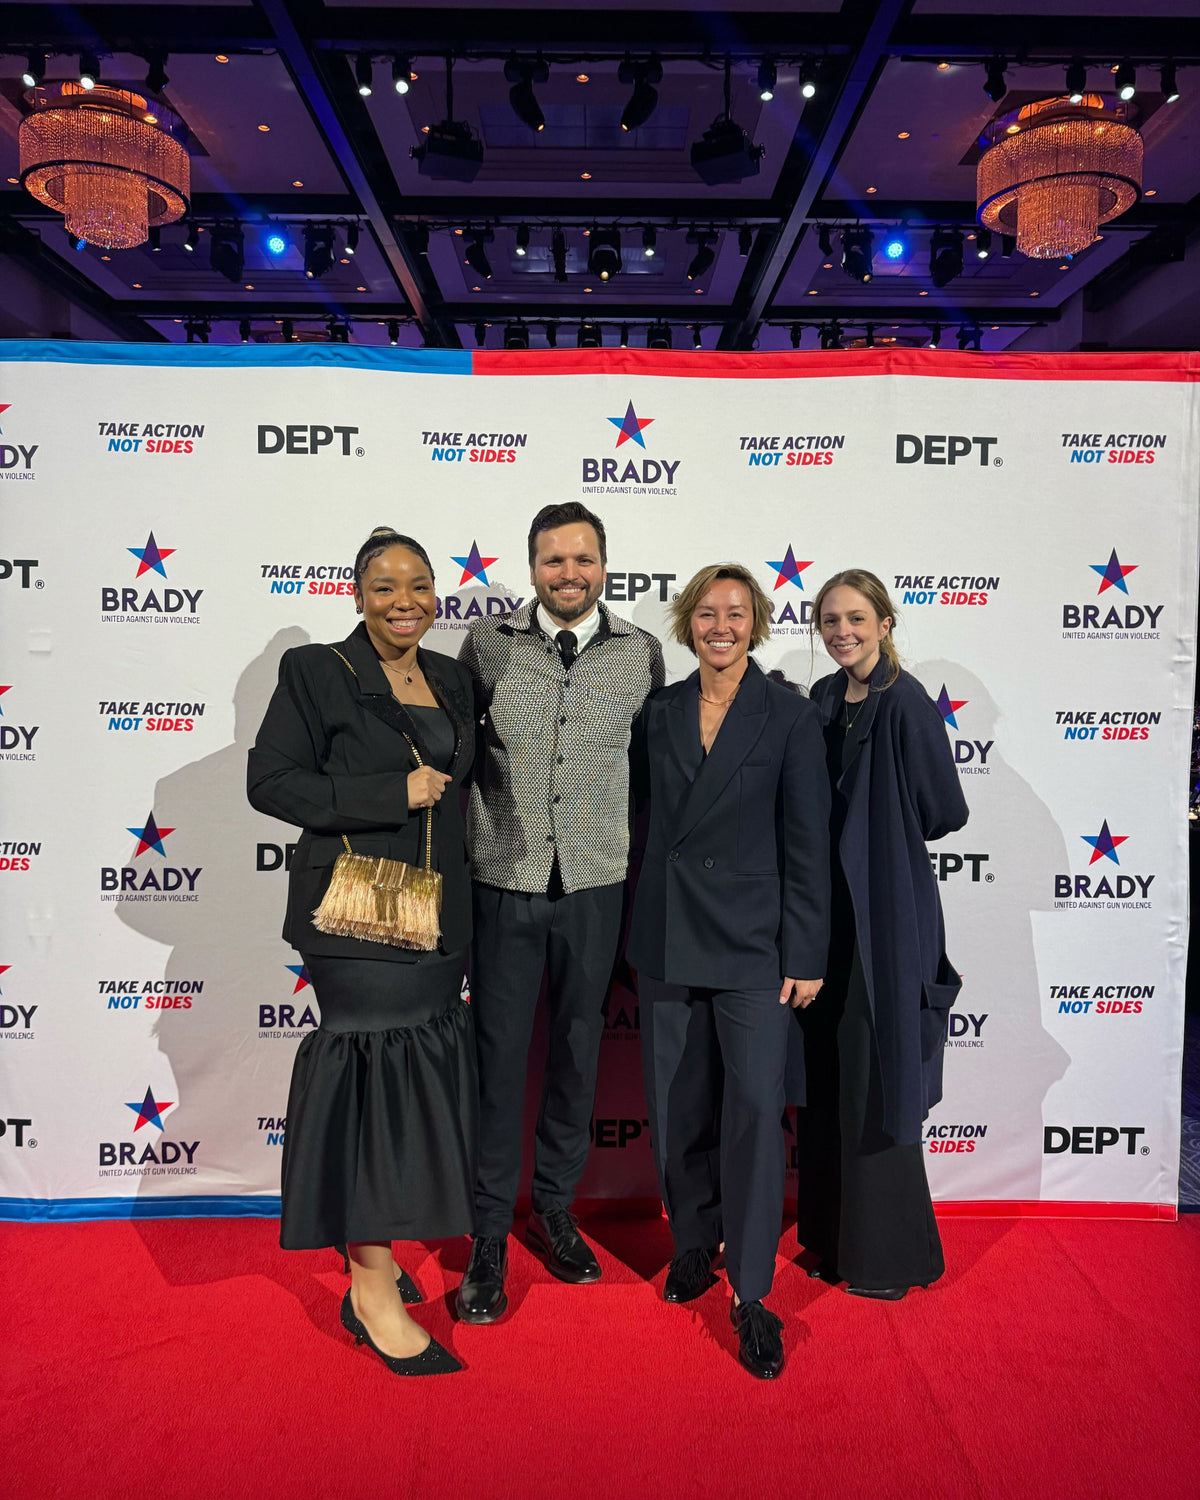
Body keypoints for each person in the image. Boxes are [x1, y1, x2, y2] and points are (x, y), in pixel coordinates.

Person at [247, 527, 477, 1376]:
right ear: (356, 594)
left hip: (437, 911)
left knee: (413, 1078)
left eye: (418, 584)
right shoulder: (316, 673)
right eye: (384, 586)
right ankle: (371, 1288)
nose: (404, 600)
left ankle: (372, 1263)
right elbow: (269, 782)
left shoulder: (452, 677)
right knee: (371, 1082)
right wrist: (391, 791)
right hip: (355, 909)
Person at [455, 502, 664, 1322]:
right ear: (533, 567)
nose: (568, 574)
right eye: (552, 561)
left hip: (595, 887)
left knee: (580, 1060)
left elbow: (649, 774)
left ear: (604, 565)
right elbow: (461, 753)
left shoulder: (641, 654)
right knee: (497, 1067)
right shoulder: (487, 647)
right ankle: (485, 1238)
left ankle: (554, 1210)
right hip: (502, 883)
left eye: (582, 559)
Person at [626, 563, 830, 1380]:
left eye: (736, 613)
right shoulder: (660, 712)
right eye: (707, 612)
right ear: (687, 622)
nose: (720, 625)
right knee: (676, 1110)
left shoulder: (787, 716)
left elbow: (808, 841)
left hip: (755, 949)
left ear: (757, 623)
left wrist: (806, 951)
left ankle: (750, 1291)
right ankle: (692, 1244)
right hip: (670, 939)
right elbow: (639, 820)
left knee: (750, 1113)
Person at [795, 568, 968, 1299]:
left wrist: (881, 839)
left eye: (856, 618)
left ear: (885, 623)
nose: (842, 631)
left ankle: (886, 1258)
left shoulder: (907, 705)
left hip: (887, 918)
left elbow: (943, 812)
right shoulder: (826, 698)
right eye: (830, 619)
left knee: (876, 1084)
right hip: (827, 919)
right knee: (832, 1079)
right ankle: (834, 1241)